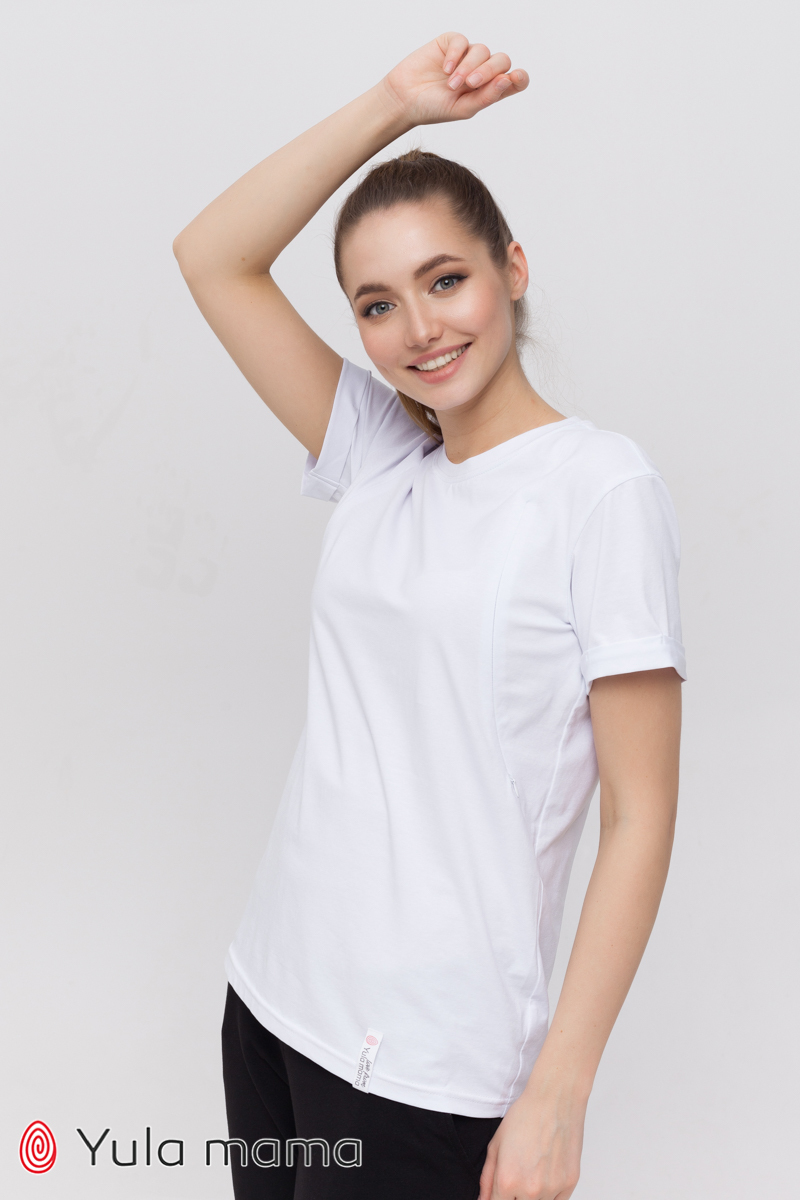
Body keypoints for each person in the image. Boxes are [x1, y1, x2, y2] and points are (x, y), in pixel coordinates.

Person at [173, 31, 685, 1200]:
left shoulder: (599, 489)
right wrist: (391, 106)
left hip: (421, 1059)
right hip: (273, 998)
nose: (418, 328)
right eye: (376, 303)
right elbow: (211, 256)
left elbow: (638, 813)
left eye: (444, 279)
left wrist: (557, 1090)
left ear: (512, 268)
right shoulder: (378, 454)